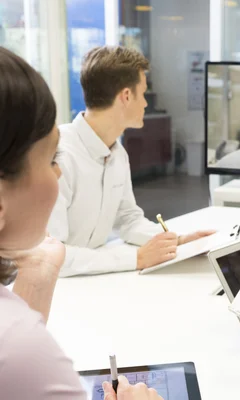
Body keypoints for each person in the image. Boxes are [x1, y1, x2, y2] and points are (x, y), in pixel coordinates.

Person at [0, 47, 162, 400]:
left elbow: (129, 218)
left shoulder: (118, 153)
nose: (58, 171)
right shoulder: (17, 347)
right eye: (49, 160)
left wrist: (172, 240)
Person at [47, 46, 214, 277]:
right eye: (143, 93)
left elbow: (128, 219)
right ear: (126, 96)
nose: (146, 103)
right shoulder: (57, 157)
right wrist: (136, 258)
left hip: (92, 279)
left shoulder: (117, 153)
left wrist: (177, 241)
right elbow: (52, 255)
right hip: (57, 289)